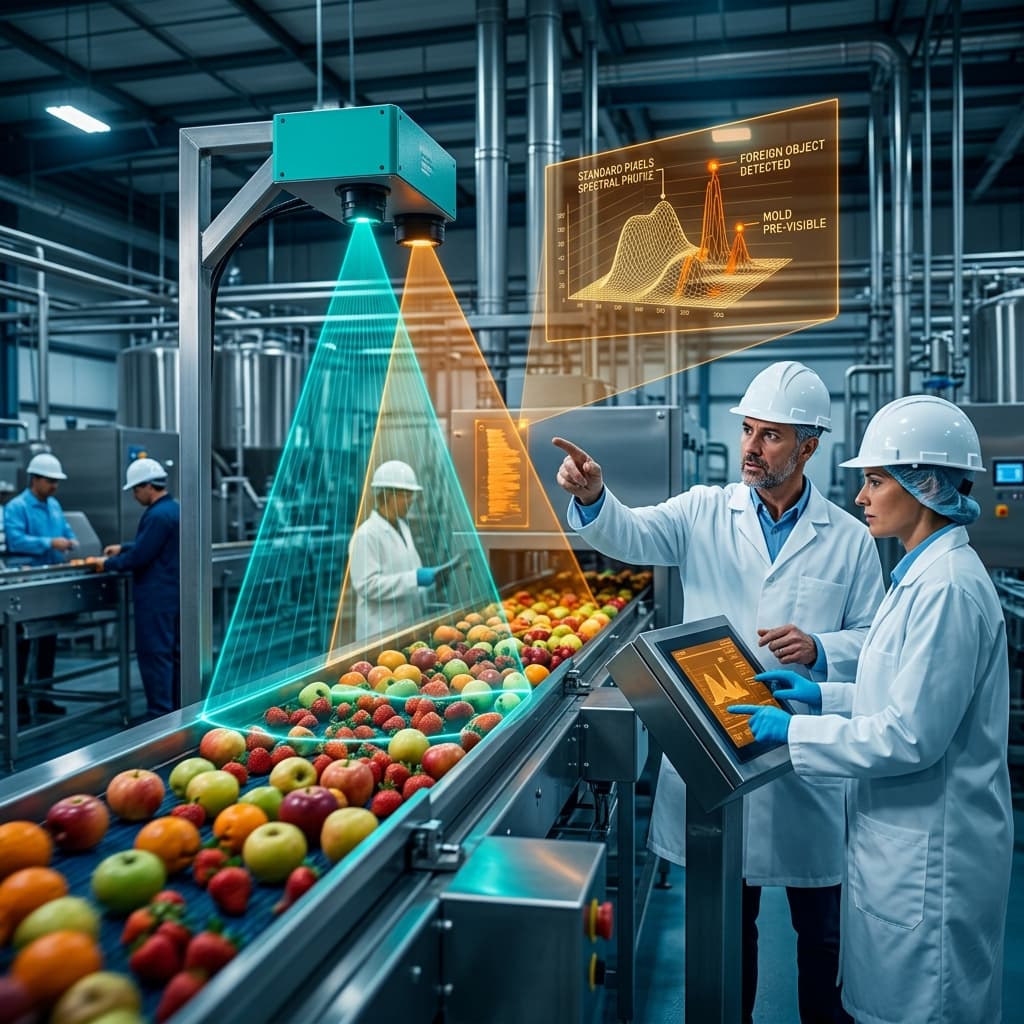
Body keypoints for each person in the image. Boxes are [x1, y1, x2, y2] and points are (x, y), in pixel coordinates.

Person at [553, 361, 885, 1024]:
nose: (752, 448)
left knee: (823, 935)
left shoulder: (848, 539)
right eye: (749, 432)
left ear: (809, 447)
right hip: (717, 752)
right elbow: (630, 533)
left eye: (771, 436)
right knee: (727, 930)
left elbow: (876, 641)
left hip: (803, 764)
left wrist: (823, 650)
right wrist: (594, 497)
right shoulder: (706, 510)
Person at [730, 395, 1012, 1024]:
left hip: (931, 857)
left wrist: (798, 731)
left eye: (876, 480)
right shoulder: (919, 575)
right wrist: (823, 694)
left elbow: (910, 736)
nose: (860, 497)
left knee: (922, 1009)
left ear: (927, 486)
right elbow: (900, 694)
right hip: (898, 842)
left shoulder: (947, 589)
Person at [99, 458, 180, 719]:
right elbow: (151, 546)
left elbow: (141, 558)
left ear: (148, 486)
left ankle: (158, 714)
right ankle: (175, 709)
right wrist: (124, 546)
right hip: (173, 594)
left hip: (155, 598)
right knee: (173, 654)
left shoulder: (157, 514)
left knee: (155, 654)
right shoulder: (174, 510)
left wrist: (107, 563)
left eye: (136, 489)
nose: (135, 495)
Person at [3, 452, 77, 718]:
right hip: (26, 581)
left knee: (48, 640)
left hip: (51, 579)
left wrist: (70, 541)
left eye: (56, 481)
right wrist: (49, 543)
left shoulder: (54, 505)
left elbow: (67, 532)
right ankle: (19, 702)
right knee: (21, 644)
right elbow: (16, 540)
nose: (54, 486)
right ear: (35, 479)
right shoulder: (16, 507)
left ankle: (44, 696)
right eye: (49, 481)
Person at [348, 461, 451, 643]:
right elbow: (367, 585)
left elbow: (409, 582)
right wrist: (416, 578)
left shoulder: (403, 527)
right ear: (387, 495)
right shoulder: (366, 534)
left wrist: (433, 585)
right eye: (406, 494)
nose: (412, 500)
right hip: (379, 632)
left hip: (407, 627)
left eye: (412, 494)